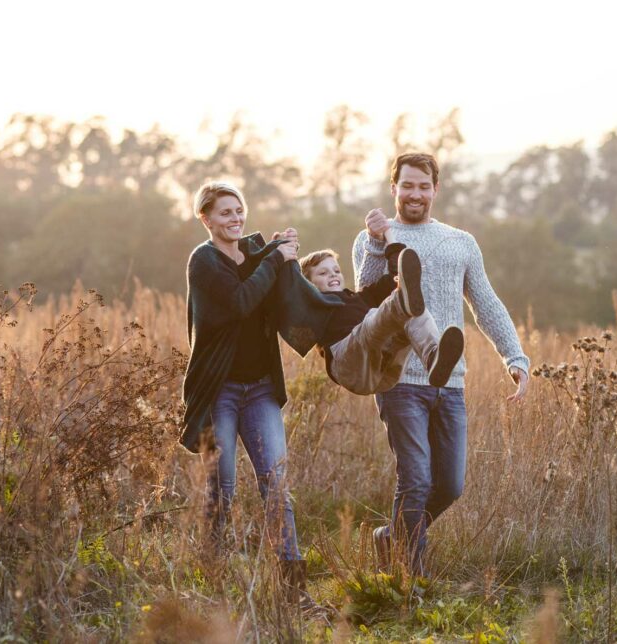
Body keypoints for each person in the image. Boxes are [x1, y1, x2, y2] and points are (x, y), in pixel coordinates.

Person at [353, 153, 530, 574]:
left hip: (450, 381)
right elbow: (365, 299)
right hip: (398, 379)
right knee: (415, 481)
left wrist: (514, 356)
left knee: (449, 485)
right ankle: (409, 579)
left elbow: (485, 302)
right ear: (393, 188)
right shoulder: (371, 237)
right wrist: (378, 244)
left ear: (435, 189)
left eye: (423, 186)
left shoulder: (460, 242)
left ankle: (390, 537)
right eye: (407, 185)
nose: (415, 194)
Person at [180, 180, 318, 610]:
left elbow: (275, 288)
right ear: (205, 218)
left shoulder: (254, 255)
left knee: (276, 485)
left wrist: (282, 252)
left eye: (239, 210)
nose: (235, 219)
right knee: (221, 488)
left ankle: (295, 592)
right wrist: (275, 258)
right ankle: (214, 582)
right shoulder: (204, 262)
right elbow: (241, 300)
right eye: (224, 213)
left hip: (259, 389)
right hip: (219, 390)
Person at [298, 240, 464, 394]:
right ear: (309, 285)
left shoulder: (360, 297)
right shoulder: (314, 307)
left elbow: (390, 281)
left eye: (336, 270)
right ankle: (398, 301)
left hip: (384, 372)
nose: (333, 275)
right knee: (378, 314)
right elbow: (292, 297)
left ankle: (433, 357)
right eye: (323, 273)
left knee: (410, 309)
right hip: (349, 367)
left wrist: (395, 255)